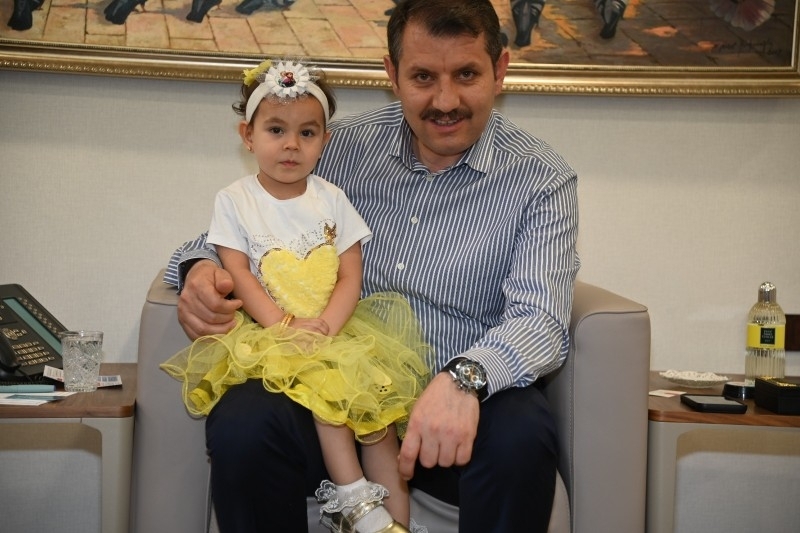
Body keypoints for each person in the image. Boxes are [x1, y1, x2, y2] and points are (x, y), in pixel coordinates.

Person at [165, 0, 580, 531]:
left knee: (523, 430)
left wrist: (463, 380)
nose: (445, 101)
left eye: (467, 74)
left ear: (499, 71)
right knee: (244, 419)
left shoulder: (542, 178)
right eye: (423, 77)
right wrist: (199, 270)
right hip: (333, 409)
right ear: (392, 73)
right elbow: (234, 235)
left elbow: (541, 320)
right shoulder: (339, 148)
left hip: (461, 420)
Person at [161, 58, 430, 533]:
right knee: (329, 401)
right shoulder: (235, 200)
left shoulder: (332, 198)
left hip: (335, 328)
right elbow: (238, 272)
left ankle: (398, 525)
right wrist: (284, 328)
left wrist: (327, 329)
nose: (291, 144)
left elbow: (350, 275)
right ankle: (354, 500)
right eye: (276, 130)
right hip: (273, 335)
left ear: (325, 141)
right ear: (247, 135)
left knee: (378, 419)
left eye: (307, 133)